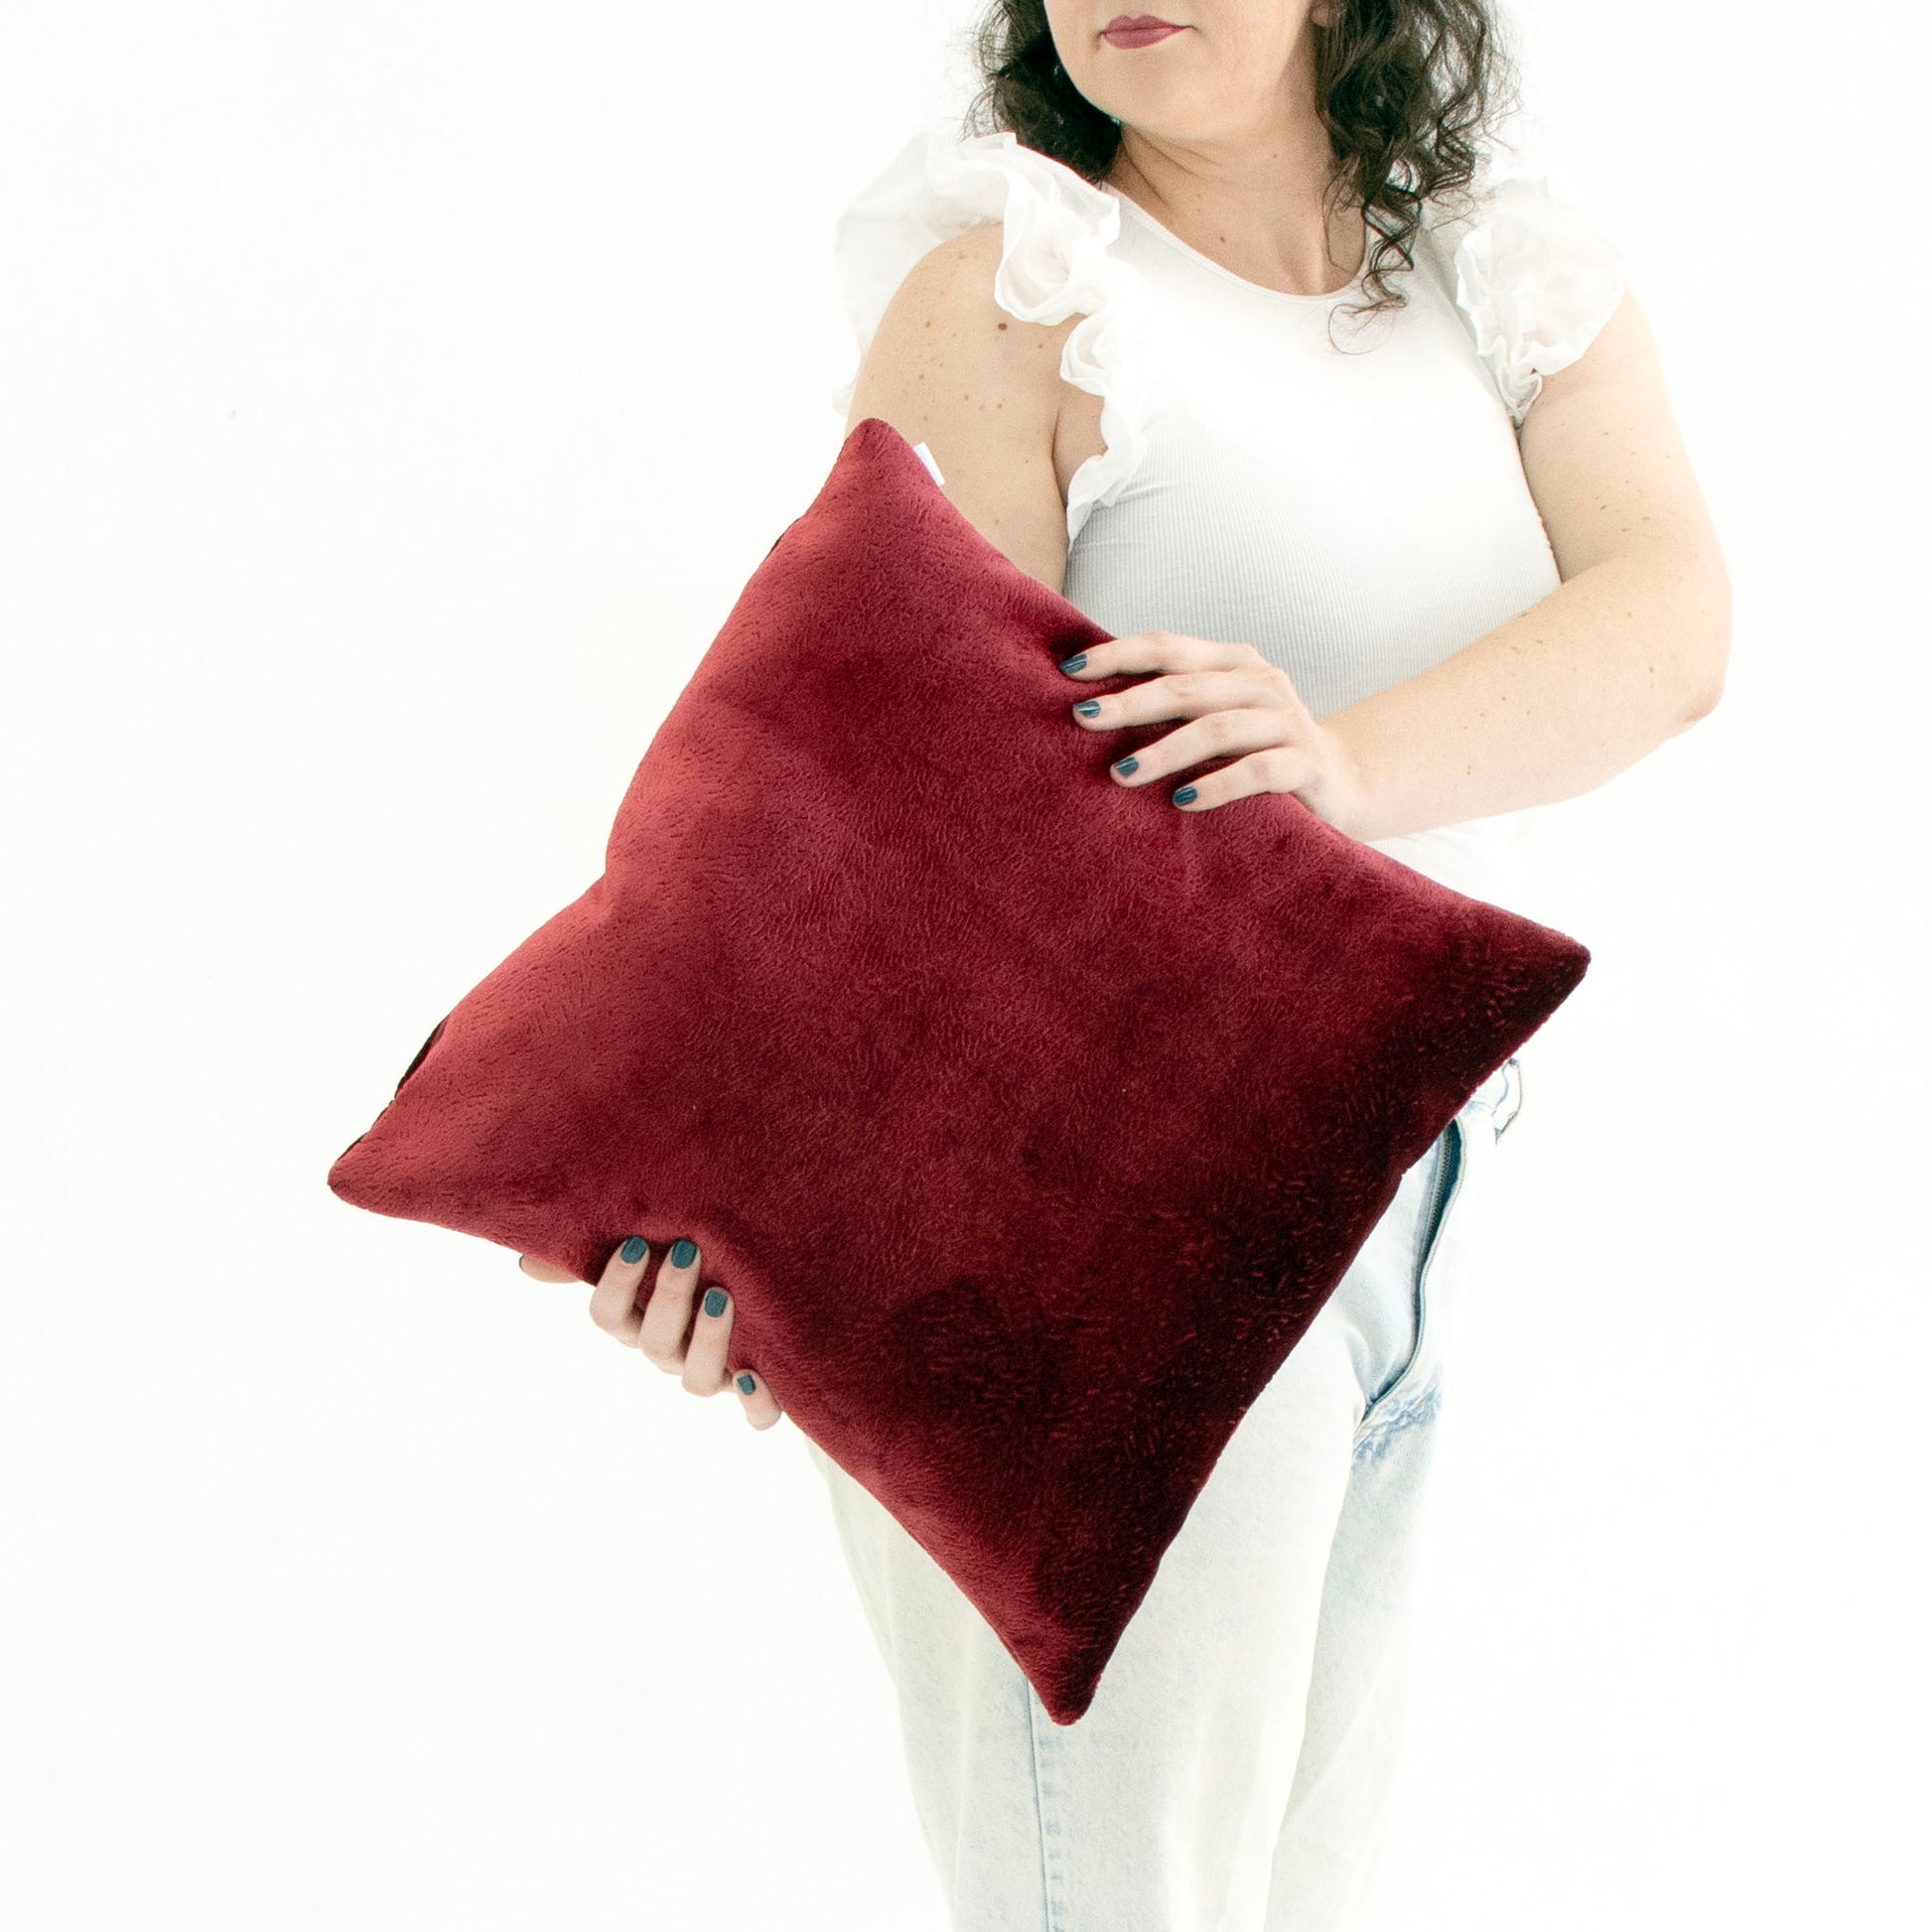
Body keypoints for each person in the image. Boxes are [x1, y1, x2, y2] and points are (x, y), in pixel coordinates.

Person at [525, 2, 1730, 1924]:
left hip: (1406, 1199)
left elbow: (1666, 624)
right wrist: (760, 1235)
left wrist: (1336, 765)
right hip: (1098, 1227)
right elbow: (891, 840)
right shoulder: (1012, 292)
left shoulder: (1503, 279)